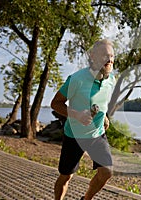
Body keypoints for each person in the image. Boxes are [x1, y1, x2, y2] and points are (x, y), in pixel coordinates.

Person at [51, 39, 116, 200]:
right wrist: (77, 115)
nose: (110, 60)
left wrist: (105, 116)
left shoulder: (111, 80)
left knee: (107, 171)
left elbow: (102, 101)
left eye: (112, 56)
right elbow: (55, 103)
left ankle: (86, 199)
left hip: (97, 134)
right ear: (93, 56)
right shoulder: (77, 79)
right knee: (66, 176)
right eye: (105, 55)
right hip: (74, 135)